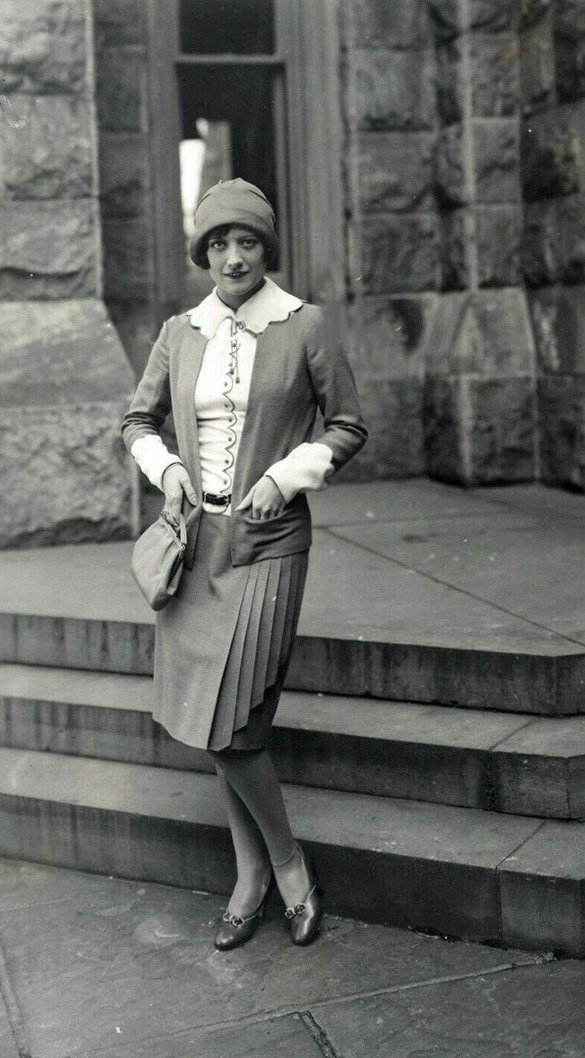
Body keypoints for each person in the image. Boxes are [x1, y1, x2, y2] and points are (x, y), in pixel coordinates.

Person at [121, 178, 367, 950]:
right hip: (198, 549)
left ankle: (284, 868)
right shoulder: (179, 331)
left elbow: (350, 424)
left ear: (267, 250)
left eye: (247, 242)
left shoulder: (305, 326)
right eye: (219, 244)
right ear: (203, 254)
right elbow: (137, 419)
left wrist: (283, 476)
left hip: (269, 546)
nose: (233, 257)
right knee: (217, 725)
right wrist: (168, 472)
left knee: (236, 724)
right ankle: (251, 874)